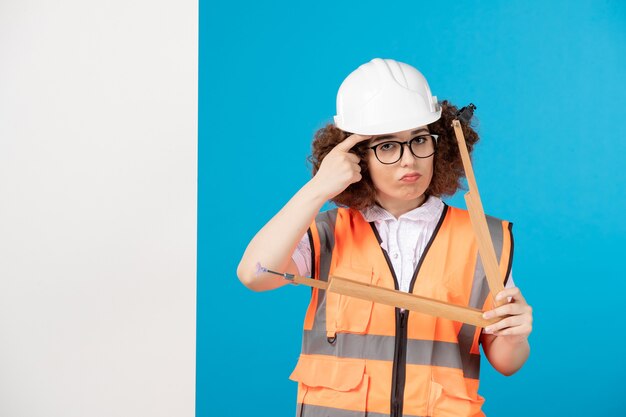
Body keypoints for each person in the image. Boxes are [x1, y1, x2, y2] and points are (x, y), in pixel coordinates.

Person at [237, 58, 532, 417]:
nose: (410, 160)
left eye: (419, 140)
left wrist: (515, 335)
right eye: (388, 146)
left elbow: (506, 362)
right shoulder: (328, 231)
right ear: (356, 156)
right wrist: (317, 190)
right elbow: (254, 272)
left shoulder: (484, 238)